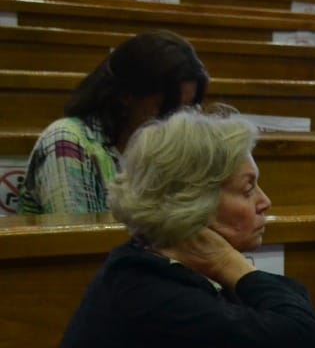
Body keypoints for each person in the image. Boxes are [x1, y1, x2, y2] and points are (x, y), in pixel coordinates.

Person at [57, 108, 315, 348]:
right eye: (248, 190)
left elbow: (295, 303)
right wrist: (229, 263)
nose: (265, 202)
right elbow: (308, 338)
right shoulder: (146, 291)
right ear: (194, 203)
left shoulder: (166, 266)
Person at [17, 31, 209, 215]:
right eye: (167, 108)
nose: (179, 120)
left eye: (188, 109)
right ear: (126, 95)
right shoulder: (68, 140)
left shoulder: (173, 149)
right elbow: (79, 233)